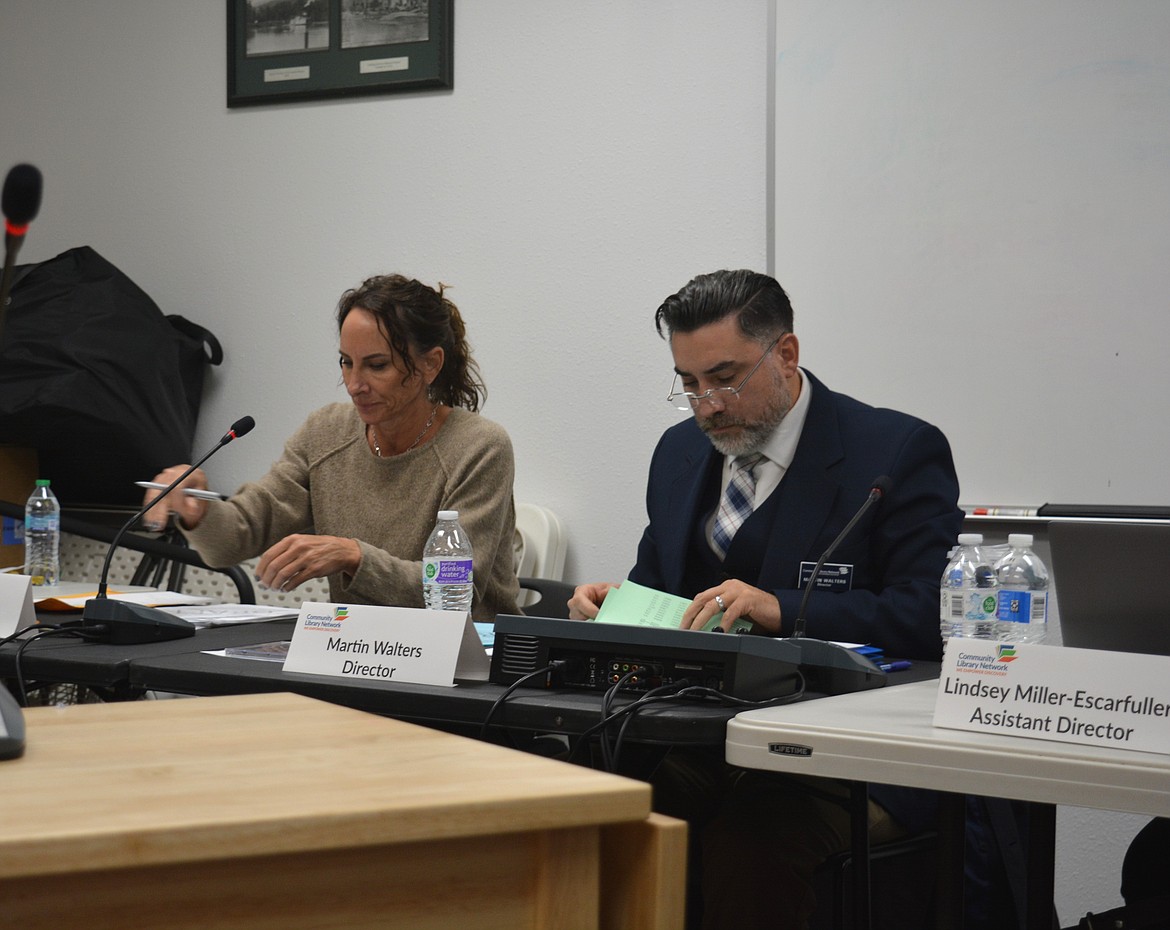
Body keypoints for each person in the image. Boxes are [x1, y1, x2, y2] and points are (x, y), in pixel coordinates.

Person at [568, 269, 963, 929]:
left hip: (843, 755)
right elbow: (664, 593)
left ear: (786, 355)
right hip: (709, 739)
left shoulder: (892, 453)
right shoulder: (678, 456)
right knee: (591, 805)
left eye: (725, 378)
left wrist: (785, 609)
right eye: (688, 385)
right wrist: (615, 603)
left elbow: (929, 616)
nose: (707, 406)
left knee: (751, 844)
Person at [146, 273, 520, 623]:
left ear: (430, 364)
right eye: (346, 363)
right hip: (356, 656)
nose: (355, 384)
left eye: (376, 365)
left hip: (468, 668)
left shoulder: (479, 447)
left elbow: (453, 595)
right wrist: (195, 508)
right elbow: (237, 537)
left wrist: (353, 556)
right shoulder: (326, 432)